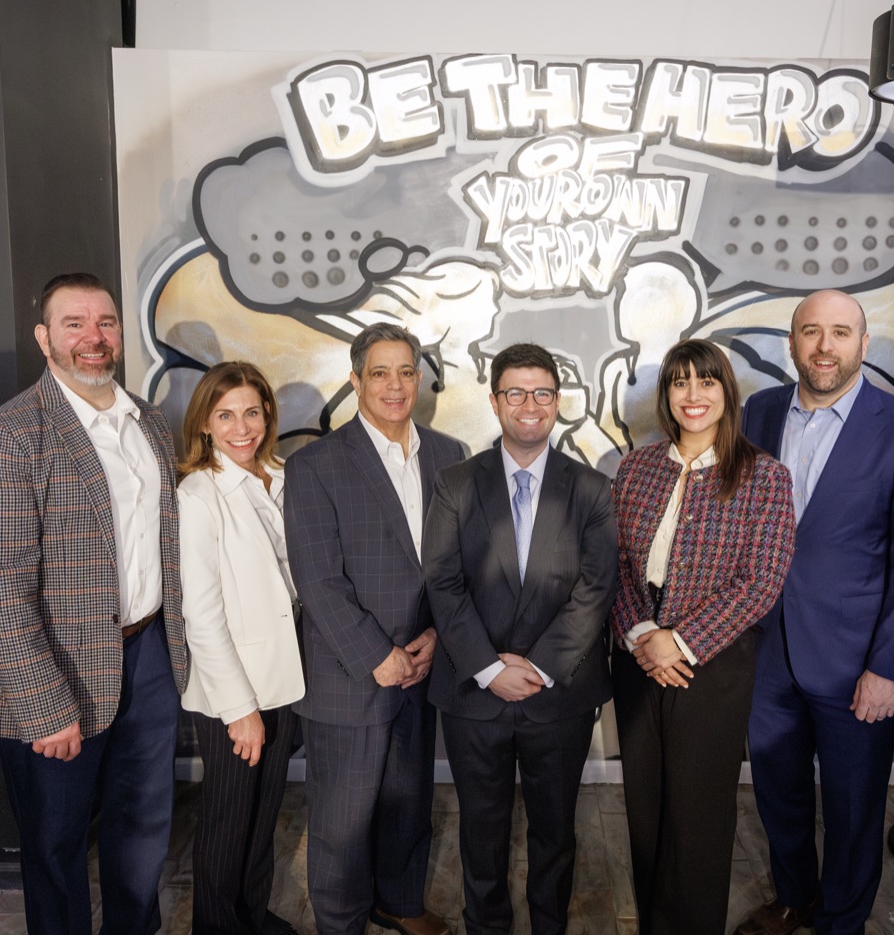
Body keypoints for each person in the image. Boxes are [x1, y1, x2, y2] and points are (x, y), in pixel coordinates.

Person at [0, 273, 189, 935]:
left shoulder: (148, 422)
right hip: (57, 671)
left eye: (106, 322)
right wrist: (42, 702)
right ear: (44, 337)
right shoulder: (6, 435)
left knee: (142, 829)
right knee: (56, 848)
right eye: (75, 323)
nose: (94, 337)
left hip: (149, 655)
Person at [733, 289, 894, 935]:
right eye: (811, 331)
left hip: (857, 663)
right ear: (792, 342)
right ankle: (794, 897)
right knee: (779, 793)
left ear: (863, 344)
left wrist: (889, 668)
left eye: (841, 333)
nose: (825, 347)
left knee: (853, 809)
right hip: (766, 652)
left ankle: (842, 922)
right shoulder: (759, 412)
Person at [423, 342, 618, 935]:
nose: (529, 405)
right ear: (494, 401)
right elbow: (443, 582)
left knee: (554, 831)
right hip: (474, 693)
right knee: (481, 831)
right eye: (516, 393)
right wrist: (489, 668)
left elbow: (596, 588)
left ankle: (549, 925)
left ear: (557, 402)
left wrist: (537, 668)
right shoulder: (455, 483)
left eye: (541, 393)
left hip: (559, 693)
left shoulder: (591, 488)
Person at [283, 322, 465, 935]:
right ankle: (341, 924)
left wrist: (437, 636)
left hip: (422, 663)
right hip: (350, 675)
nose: (394, 385)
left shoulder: (448, 455)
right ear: (356, 380)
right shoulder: (315, 465)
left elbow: (454, 563)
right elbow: (317, 578)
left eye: (406, 372)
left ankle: (400, 903)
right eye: (379, 373)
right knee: (342, 823)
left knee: (409, 803)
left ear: (419, 379)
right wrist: (376, 655)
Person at [609, 338, 796, 935]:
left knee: (698, 818)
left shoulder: (765, 477)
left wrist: (681, 641)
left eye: (706, 381)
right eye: (680, 382)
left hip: (710, 667)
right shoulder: (636, 468)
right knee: (645, 810)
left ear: (726, 392)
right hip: (637, 658)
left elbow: (762, 581)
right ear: (666, 394)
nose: (693, 395)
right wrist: (643, 634)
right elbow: (614, 565)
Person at [176, 362, 304, 935]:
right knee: (228, 821)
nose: (242, 427)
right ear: (205, 423)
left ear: (268, 415)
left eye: (252, 412)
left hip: (284, 674)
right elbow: (200, 615)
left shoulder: (281, 476)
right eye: (225, 415)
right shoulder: (198, 494)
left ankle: (252, 916)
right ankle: (216, 925)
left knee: (263, 813)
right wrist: (239, 709)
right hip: (234, 689)